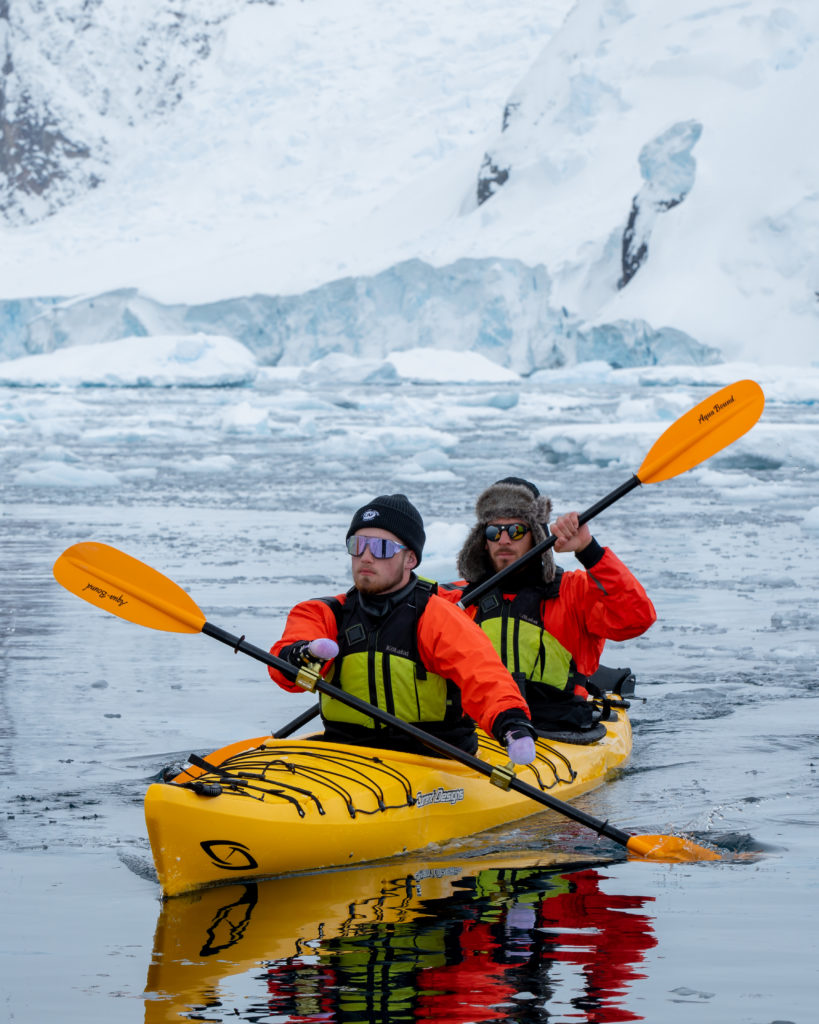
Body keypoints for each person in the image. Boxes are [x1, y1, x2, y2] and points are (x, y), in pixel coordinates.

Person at [268, 493, 538, 764]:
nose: (366, 557)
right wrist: (302, 656)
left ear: (410, 559)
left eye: (381, 548)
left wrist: (511, 721)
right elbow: (287, 672)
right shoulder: (324, 612)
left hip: (433, 757)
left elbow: (483, 676)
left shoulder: (437, 616)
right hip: (347, 752)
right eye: (358, 545)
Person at [440, 478, 656, 734]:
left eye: (516, 531)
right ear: (483, 540)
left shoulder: (573, 592)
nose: (504, 540)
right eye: (494, 532)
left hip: (558, 729)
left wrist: (589, 551)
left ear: (537, 536)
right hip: (484, 730)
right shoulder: (457, 601)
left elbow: (636, 618)